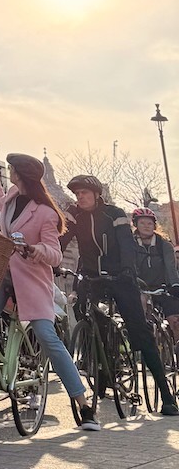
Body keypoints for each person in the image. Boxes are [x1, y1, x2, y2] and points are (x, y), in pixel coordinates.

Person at [0, 152, 99, 429]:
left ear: (20, 174)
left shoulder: (45, 212)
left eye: (11, 169)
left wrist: (34, 250)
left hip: (32, 279)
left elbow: (55, 254)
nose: (9, 172)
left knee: (48, 338)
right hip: (3, 273)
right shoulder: (11, 196)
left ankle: (84, 405)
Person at [62, 175, 178, 417]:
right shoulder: (76, 216)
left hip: (120, 278)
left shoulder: (114, 214)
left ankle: (167, 397)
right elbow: (61, 239)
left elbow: (126, 245)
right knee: (83, 311)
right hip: (92, 276)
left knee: (140, 331)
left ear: (96, 194)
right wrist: (52, 255)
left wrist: (127, 271)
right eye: (76, 193)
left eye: (84, 192)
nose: (79, 197)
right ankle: (98, 365)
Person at [132, 206, 179, 338]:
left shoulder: (164, 245)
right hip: (141, 289)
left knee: (175, 321)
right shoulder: (131, 244)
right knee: (141, 314)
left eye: (150, 223)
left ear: (154, 225)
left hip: (162, 289)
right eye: (142, 223)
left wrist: (175, 286)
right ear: (135, 224)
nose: (146, 226)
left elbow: (171, 268)